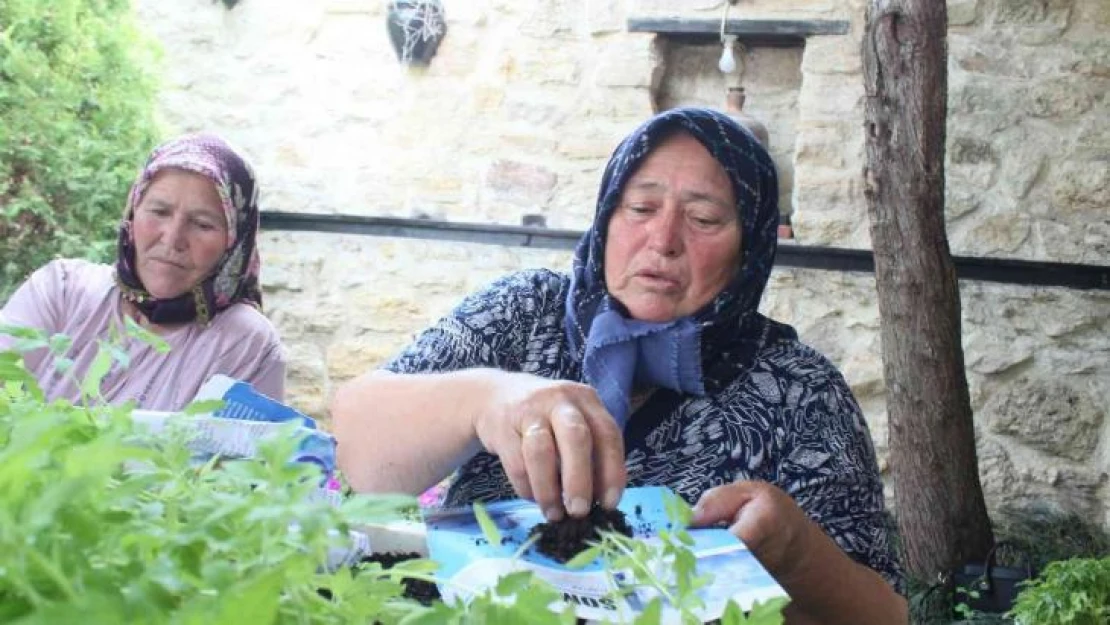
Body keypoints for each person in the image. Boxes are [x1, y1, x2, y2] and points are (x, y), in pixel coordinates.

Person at [332, 108, 907, 623]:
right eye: (640, 207)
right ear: (607, 217)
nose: (663, 240)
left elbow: (885, 614)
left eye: (704, 219)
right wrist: (485, 401)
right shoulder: (523, 313)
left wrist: (795, 552)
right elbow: (355, 454)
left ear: (750, 248)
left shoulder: (800, 390)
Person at [0, 133, 284, 410]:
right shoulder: (62, 289)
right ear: (132, 213)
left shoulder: (244, 342)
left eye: (203, 224)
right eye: (159, 212)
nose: (172, 239)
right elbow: (7, 390)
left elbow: (238, 454)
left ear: (233, 242)